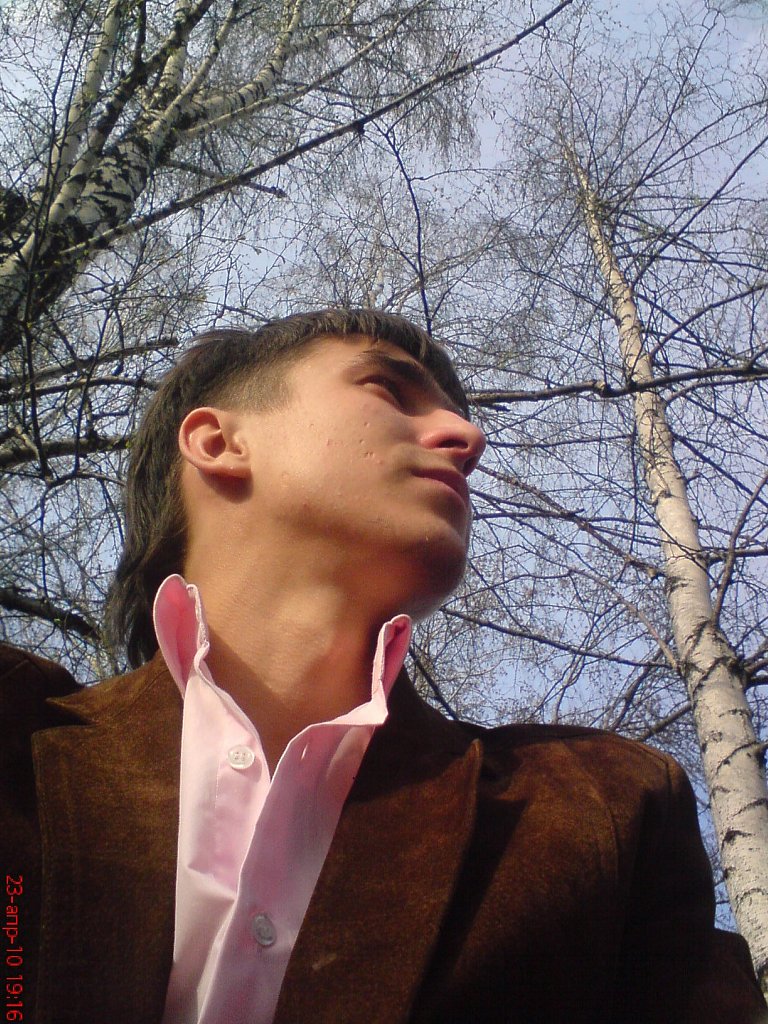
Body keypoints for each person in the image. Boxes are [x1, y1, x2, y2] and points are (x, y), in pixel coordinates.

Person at [3, 308, 766, 1024]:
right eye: (390, 390)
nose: (468, 436)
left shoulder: (607, 810)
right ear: (218, 442)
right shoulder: (13, 730)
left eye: (458, 414)